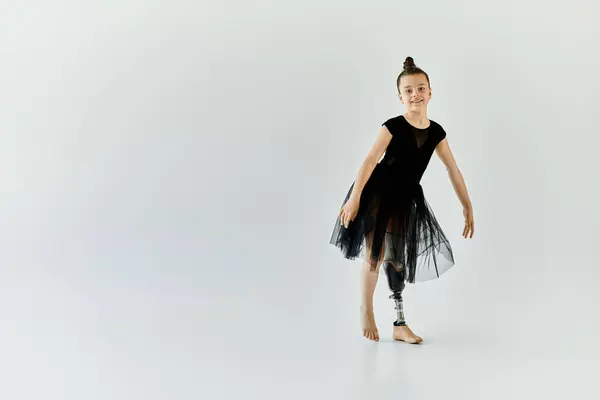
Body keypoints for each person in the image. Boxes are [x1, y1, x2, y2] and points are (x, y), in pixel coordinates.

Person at [330, 56, 474, 343]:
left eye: (420, 89)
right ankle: (366, 308)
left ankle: (399, 324)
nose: (415, 95)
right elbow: (369, 161)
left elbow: (452, 169)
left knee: (397, 261)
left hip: (407, 198)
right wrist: (354, 198)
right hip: (378, 193)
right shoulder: (393, 125)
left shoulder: (436, 132)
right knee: (376, 252)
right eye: (408, 90)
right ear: (400, 97)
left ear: (430, 93)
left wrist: (467, 206)